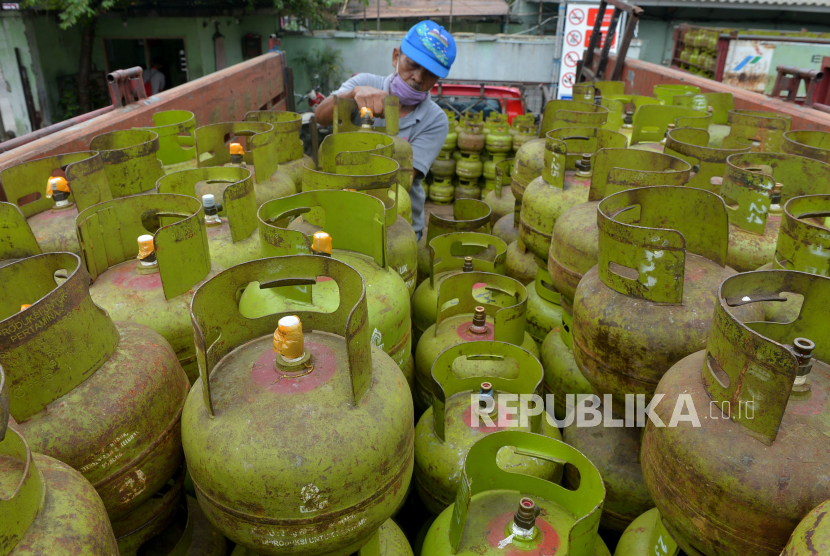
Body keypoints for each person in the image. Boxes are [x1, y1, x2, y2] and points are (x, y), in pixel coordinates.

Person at [315, 20, 456, 240]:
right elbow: (320, 116)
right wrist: (352, 94)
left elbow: (403, 178)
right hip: (342, 213)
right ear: (395, 57)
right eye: (412, 64)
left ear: (437, 79)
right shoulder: (363, 82)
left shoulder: (435, 120)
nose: (418, 77)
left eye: (429, 74)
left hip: (396, 223)